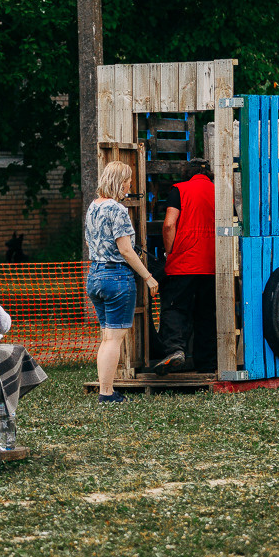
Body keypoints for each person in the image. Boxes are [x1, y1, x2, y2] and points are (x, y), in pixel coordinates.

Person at [85, 160, 159, 403]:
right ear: (119, 182)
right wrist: (147, 277)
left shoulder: (93, 207)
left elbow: (89, 243)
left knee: (107, 337)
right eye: (128, 181)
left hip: (95, 275)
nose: (130, 185)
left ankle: (106, 389)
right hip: (116, 277)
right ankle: (106, 393)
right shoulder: (117, 210)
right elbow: (126, 250)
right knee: (113, 339)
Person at [152, 158, 217, 375]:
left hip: (184, 263)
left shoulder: (179, 189)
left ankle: (174, 350)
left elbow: (170, 223)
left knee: (175, 307)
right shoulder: (219, 191)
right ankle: (206, 364)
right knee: (206, 313)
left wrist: (169, 252)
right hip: (212, 264)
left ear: (186, 173)